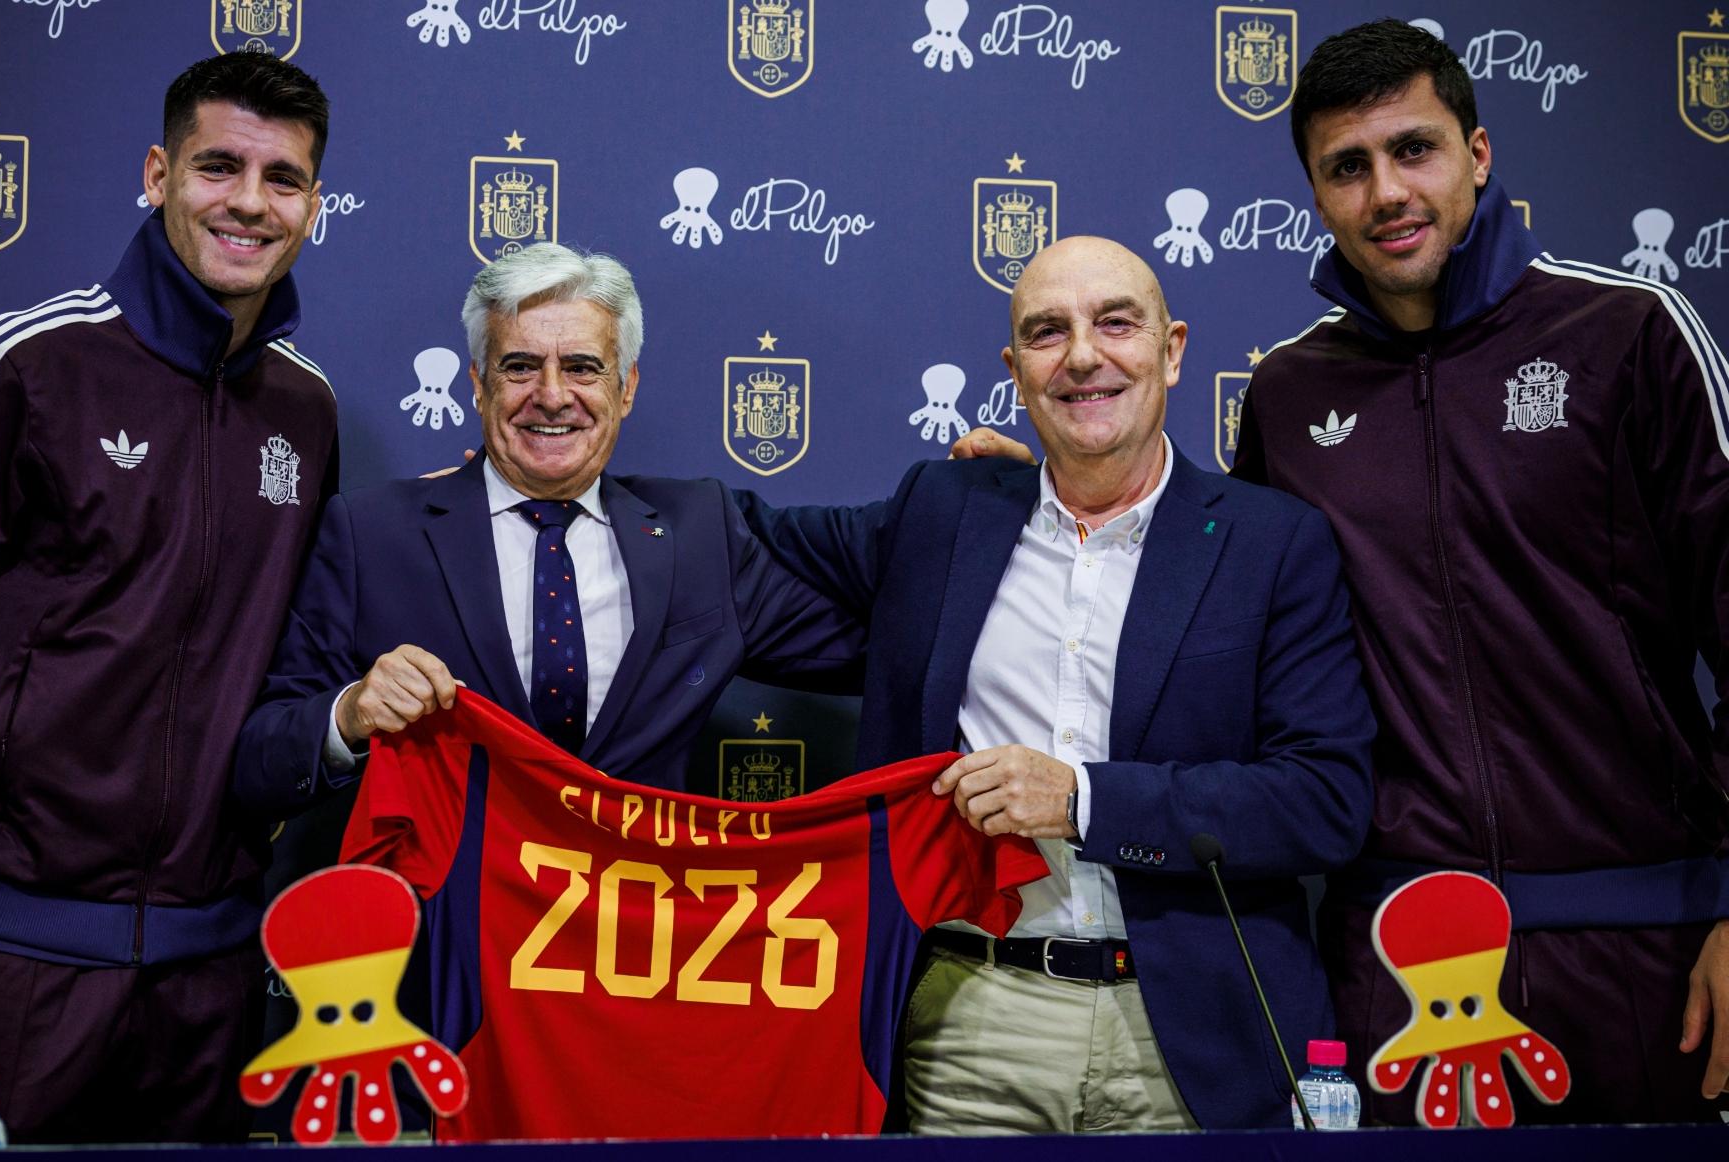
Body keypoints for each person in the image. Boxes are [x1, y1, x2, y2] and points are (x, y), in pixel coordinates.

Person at [736, 235, 1375, 1131]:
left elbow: (1324, 799)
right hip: (973, 1022)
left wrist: (1081, 800)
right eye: (1047, 332)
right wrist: (513, 485)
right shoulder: (943, 511)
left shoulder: (1272, 545)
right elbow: (736, 536)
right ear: (1015, 367)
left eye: (1116, 324)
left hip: (1190, 1032)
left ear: (1173, 348)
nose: (1083, 355)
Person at [0, 53, 336, 1142]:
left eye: (282, 178)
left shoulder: (307, 409)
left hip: (209, 975)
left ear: (314, 204)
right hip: (4, 957)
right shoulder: (27, 364)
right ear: (156, 173)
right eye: (218, 166)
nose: (249, 201)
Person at [1232, 18, 1729, 1123]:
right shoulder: (1287, 394)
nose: (1387, 192)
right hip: (1398, 969)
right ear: (1317, 195)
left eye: (1415, 149)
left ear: (1480, 154)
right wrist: (1043, 497)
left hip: (1650, 948)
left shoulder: (1630, 333)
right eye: (1347, 168)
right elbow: (1217, 622)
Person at [233, 240, 863, 812]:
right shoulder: (370, 535)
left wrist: (961, 498)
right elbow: (261, 755)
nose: (553, 395)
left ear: (627, 388)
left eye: (584, 367)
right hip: (446, 929)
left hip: (633, 925)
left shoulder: (700, 534)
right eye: (520, 367)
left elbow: (886, 647)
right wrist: (348, 717)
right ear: (478, 385)